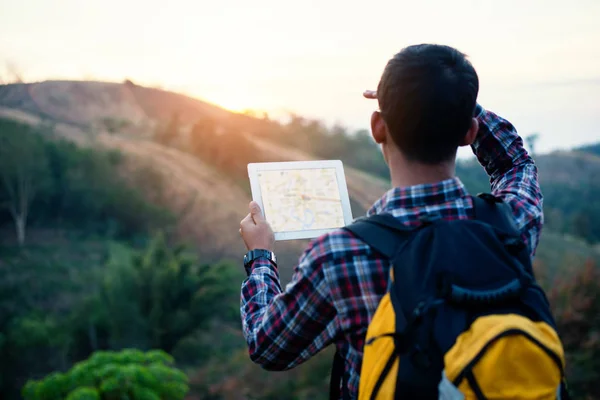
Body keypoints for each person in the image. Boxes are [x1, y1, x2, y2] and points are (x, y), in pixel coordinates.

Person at [238, 43, 543, 399]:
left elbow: (268, 345)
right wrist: (454, 102)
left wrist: (260, 257)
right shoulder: (510, 223)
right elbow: (515, 164)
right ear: (469, 134)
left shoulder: (341, 255)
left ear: (378, 127)